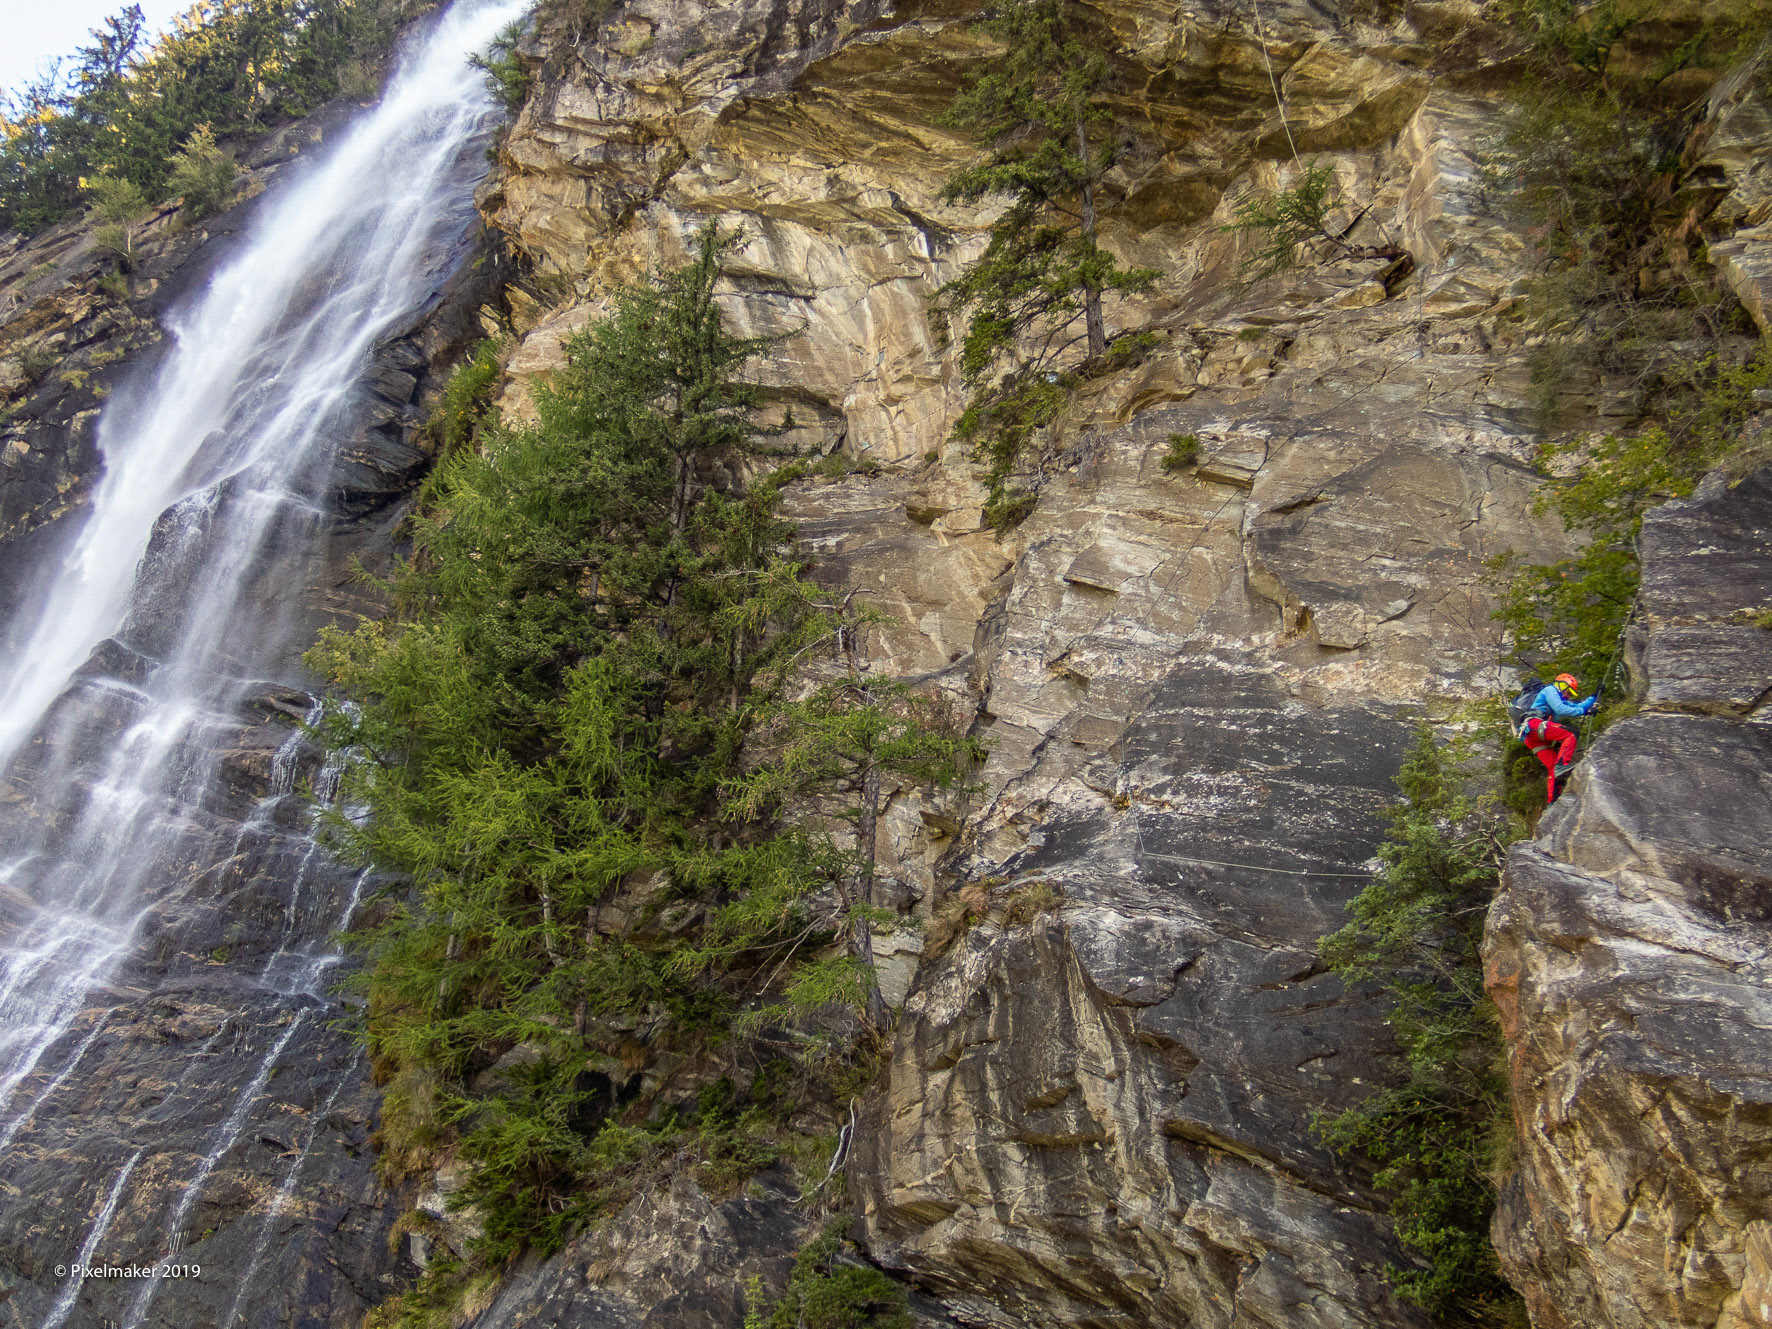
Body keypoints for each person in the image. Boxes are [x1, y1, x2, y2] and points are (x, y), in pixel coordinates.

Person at [1518, 673, 1598, 803]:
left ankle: (1553, 802)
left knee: (1552, 768)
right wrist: (1585, 712)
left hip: (1532, 736)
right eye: (1568, 691)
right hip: (1535, 726)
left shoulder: (1558, 697)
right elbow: (1561, 709)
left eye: (1571, 693)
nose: (1568, 695)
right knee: (1571, 733)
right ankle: (1562, 765)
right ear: (1561, 685)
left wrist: (1593, 698)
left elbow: (1576, 707)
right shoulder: (1550, 690)